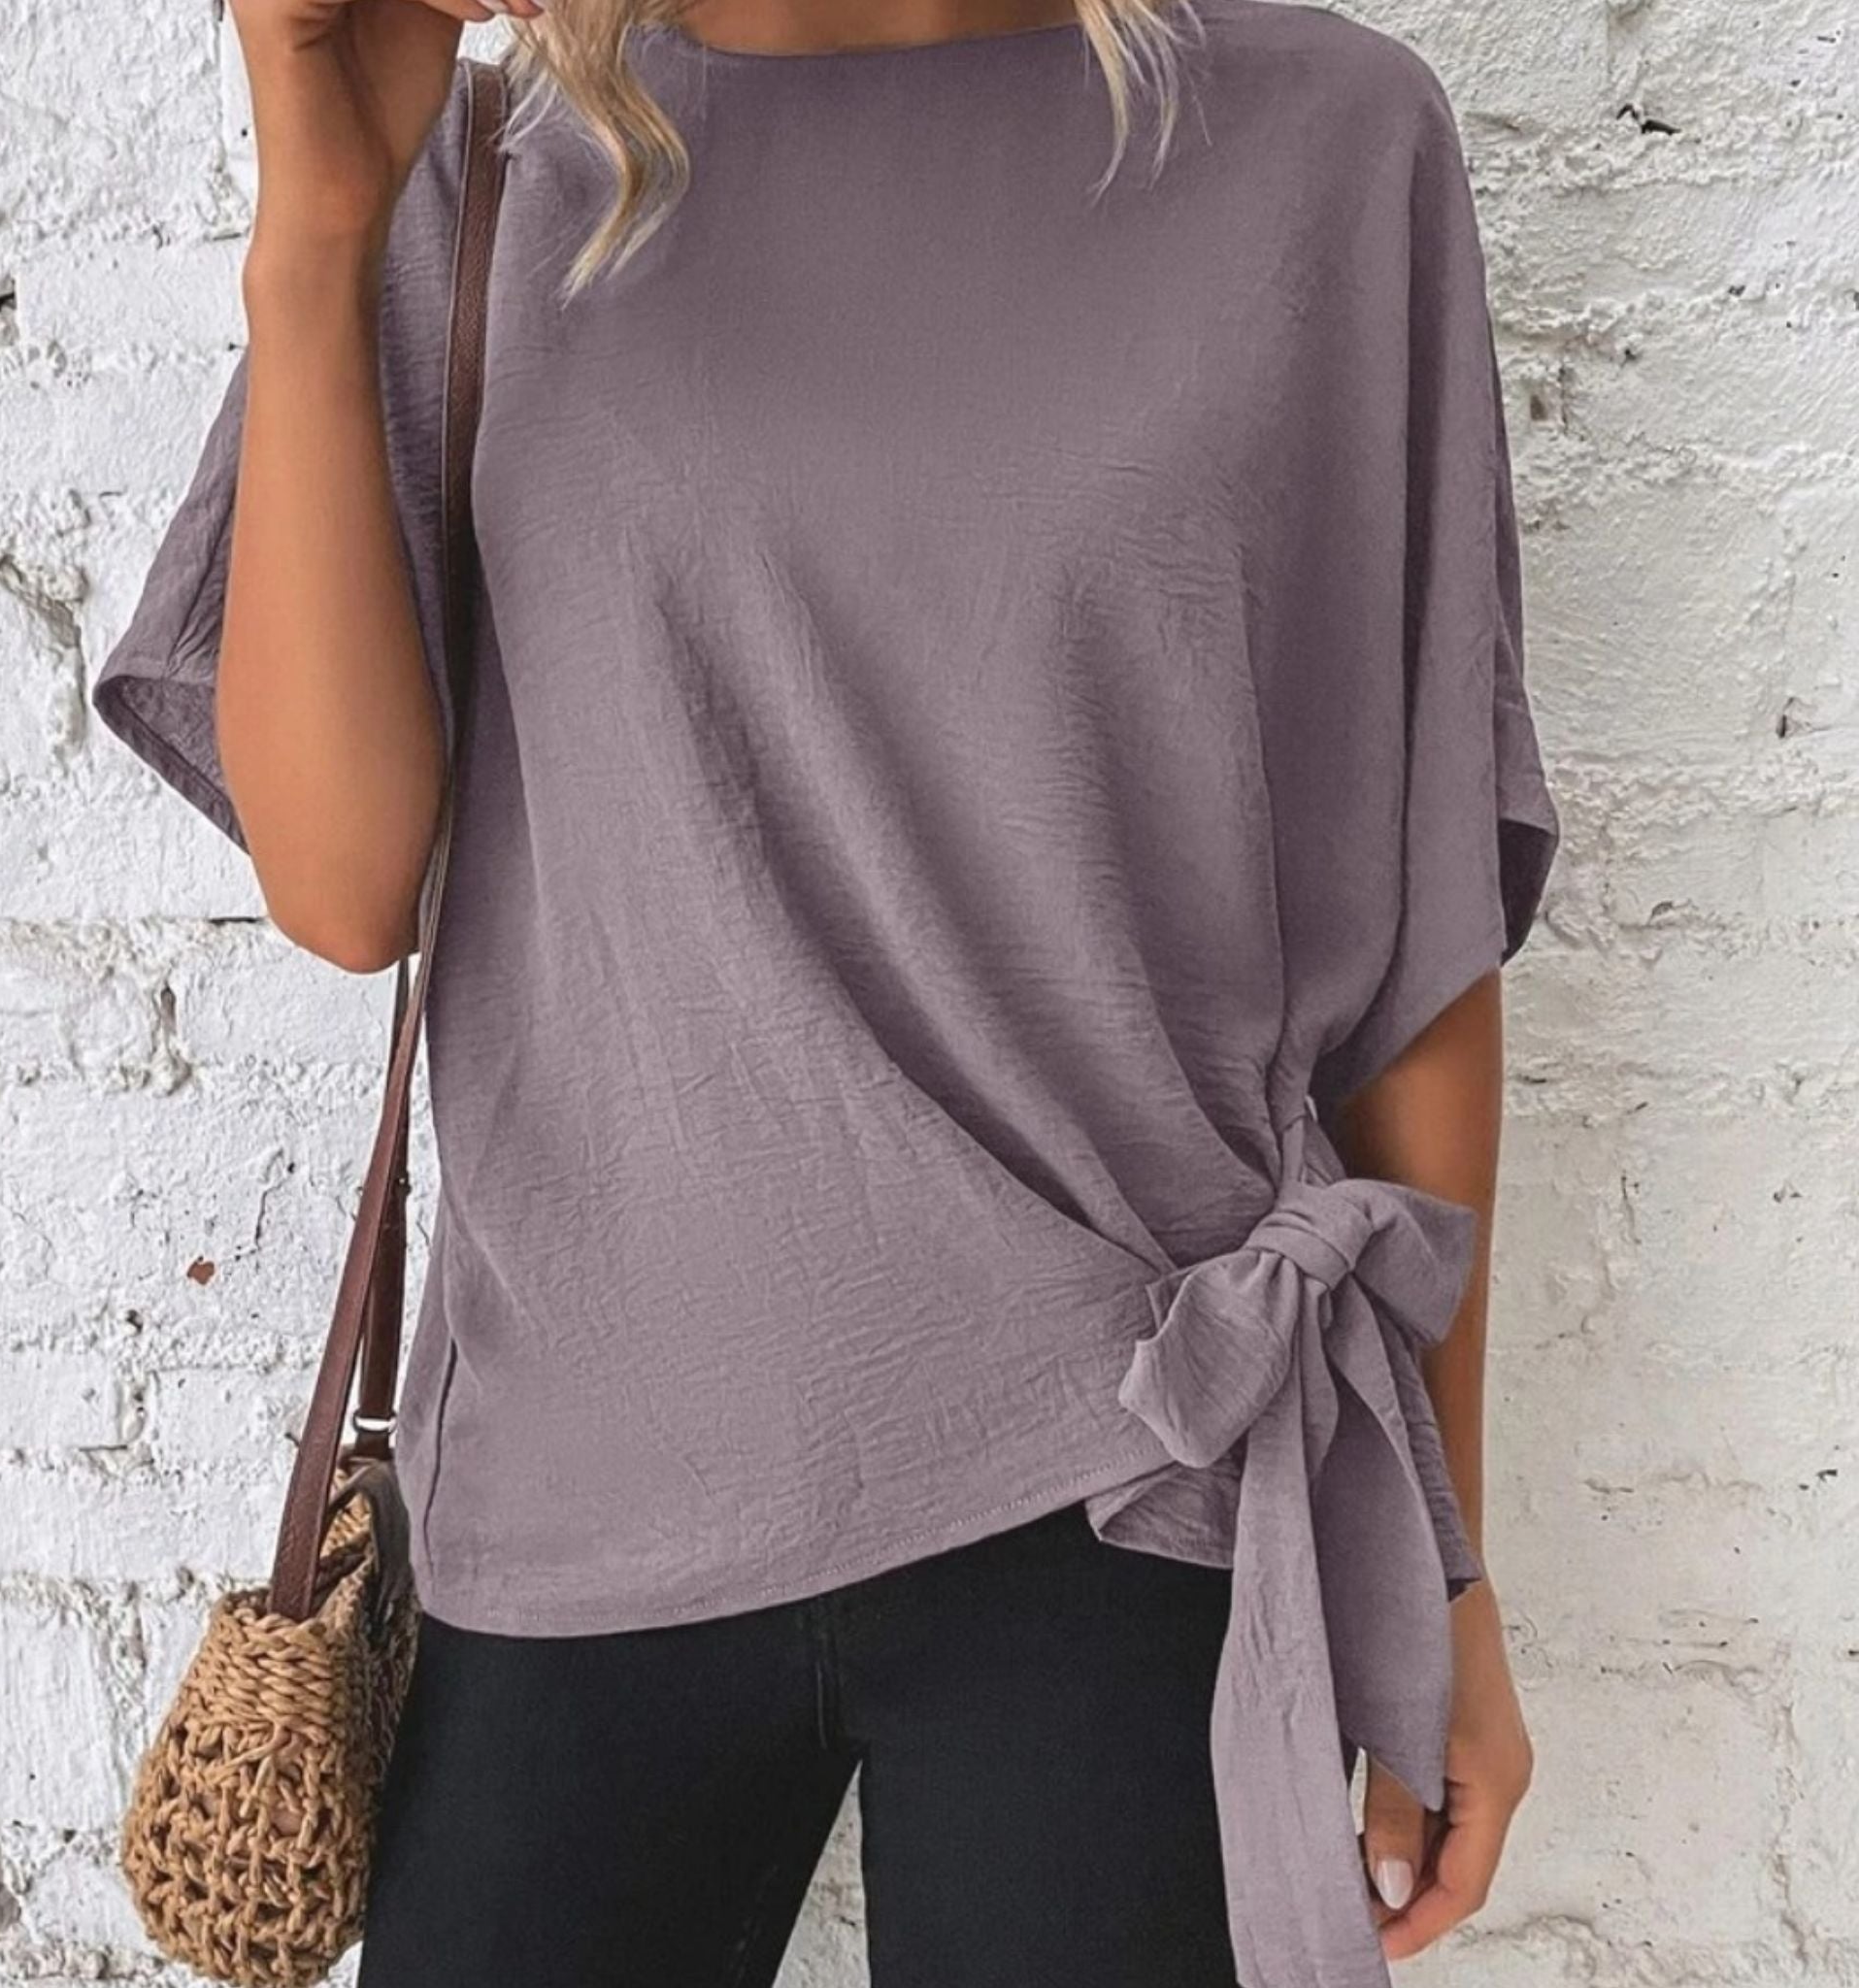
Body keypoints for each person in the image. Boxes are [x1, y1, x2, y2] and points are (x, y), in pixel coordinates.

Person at [92, 0, 1563, 1982]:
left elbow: (1415, 933)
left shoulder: (1329, 148)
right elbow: (343, 889)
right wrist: (317, 230)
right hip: (581, 1485)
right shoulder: (483, 170)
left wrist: (1439, 1574)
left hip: (1127, 1485)